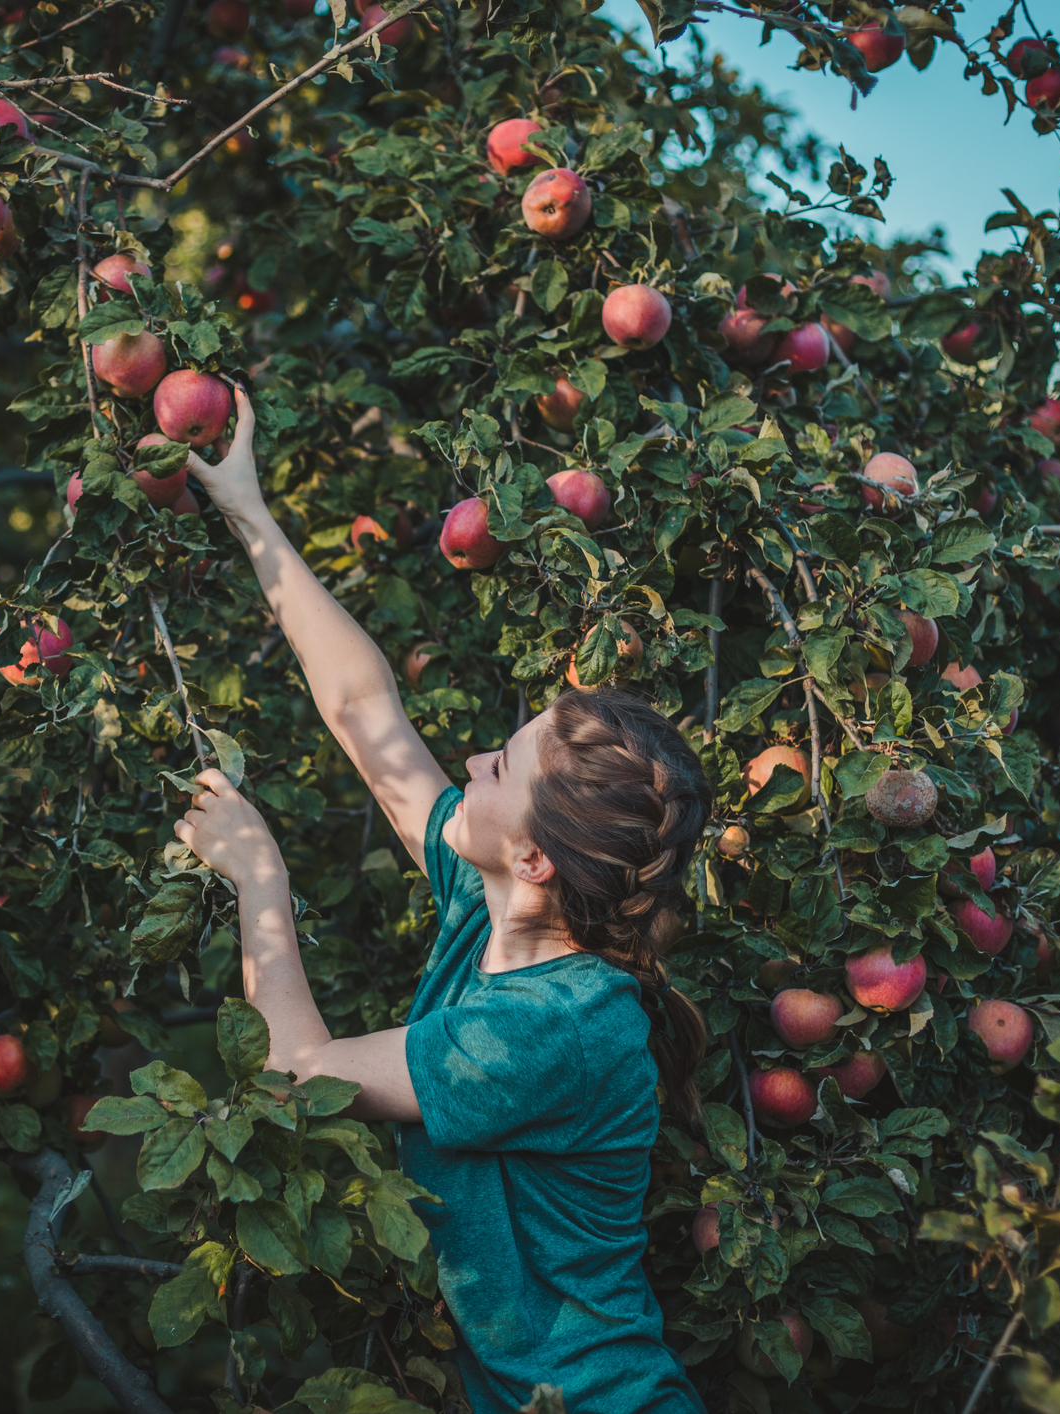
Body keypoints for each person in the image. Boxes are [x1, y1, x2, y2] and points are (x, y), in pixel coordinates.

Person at [169, 387, 713, 1414]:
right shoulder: (490, 900)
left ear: (541, 860)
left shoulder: (554, 1029)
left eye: (500, 767)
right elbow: (365, 711)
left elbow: (294, 1074)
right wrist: (246, 507)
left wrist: (261, 879)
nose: (469, 760)